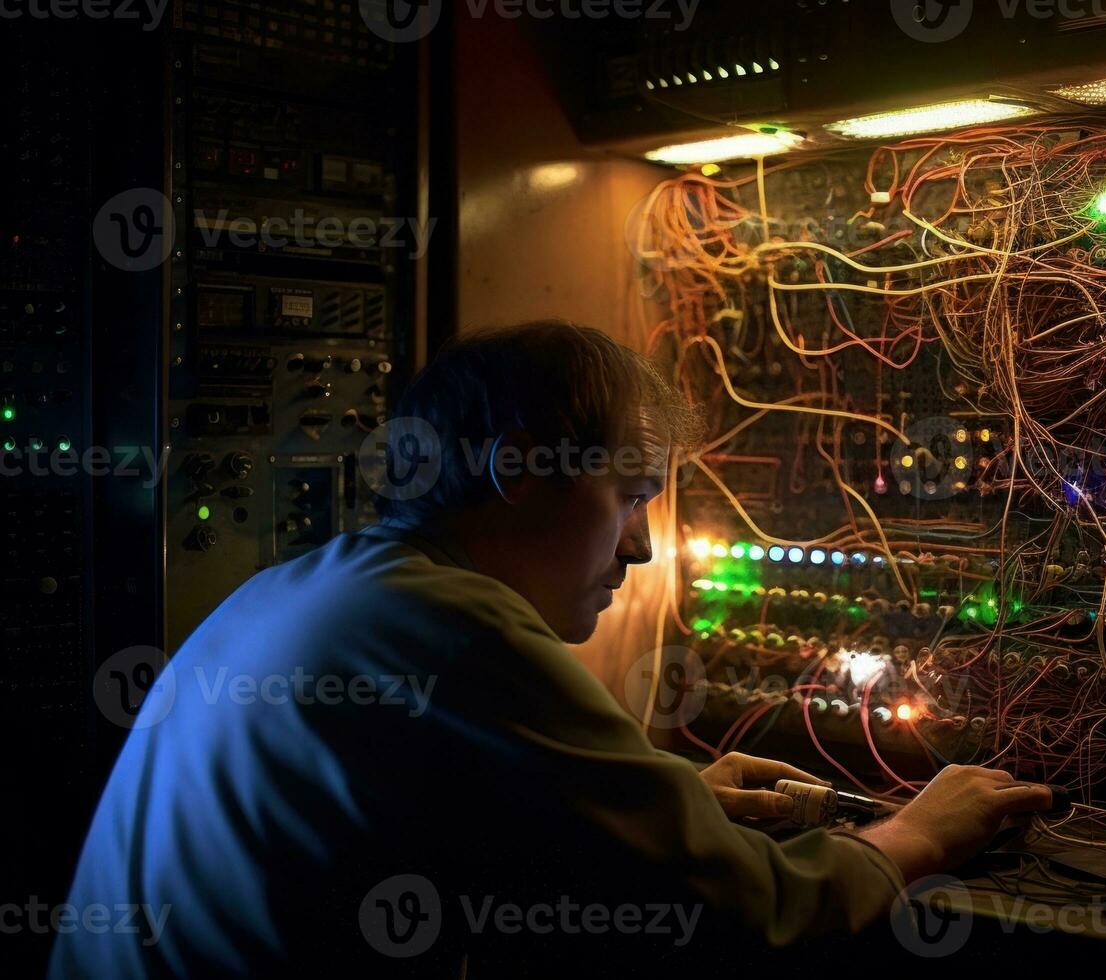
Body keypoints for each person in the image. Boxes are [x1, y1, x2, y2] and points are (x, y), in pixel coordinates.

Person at [51, 321, 1053, 976]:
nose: (642, 545)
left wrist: (671, 796)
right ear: (521, 468)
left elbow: (458, 802)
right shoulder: (454, 627)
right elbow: (750, 917)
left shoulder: (309, 590)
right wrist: (920, 832)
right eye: (628, 497)